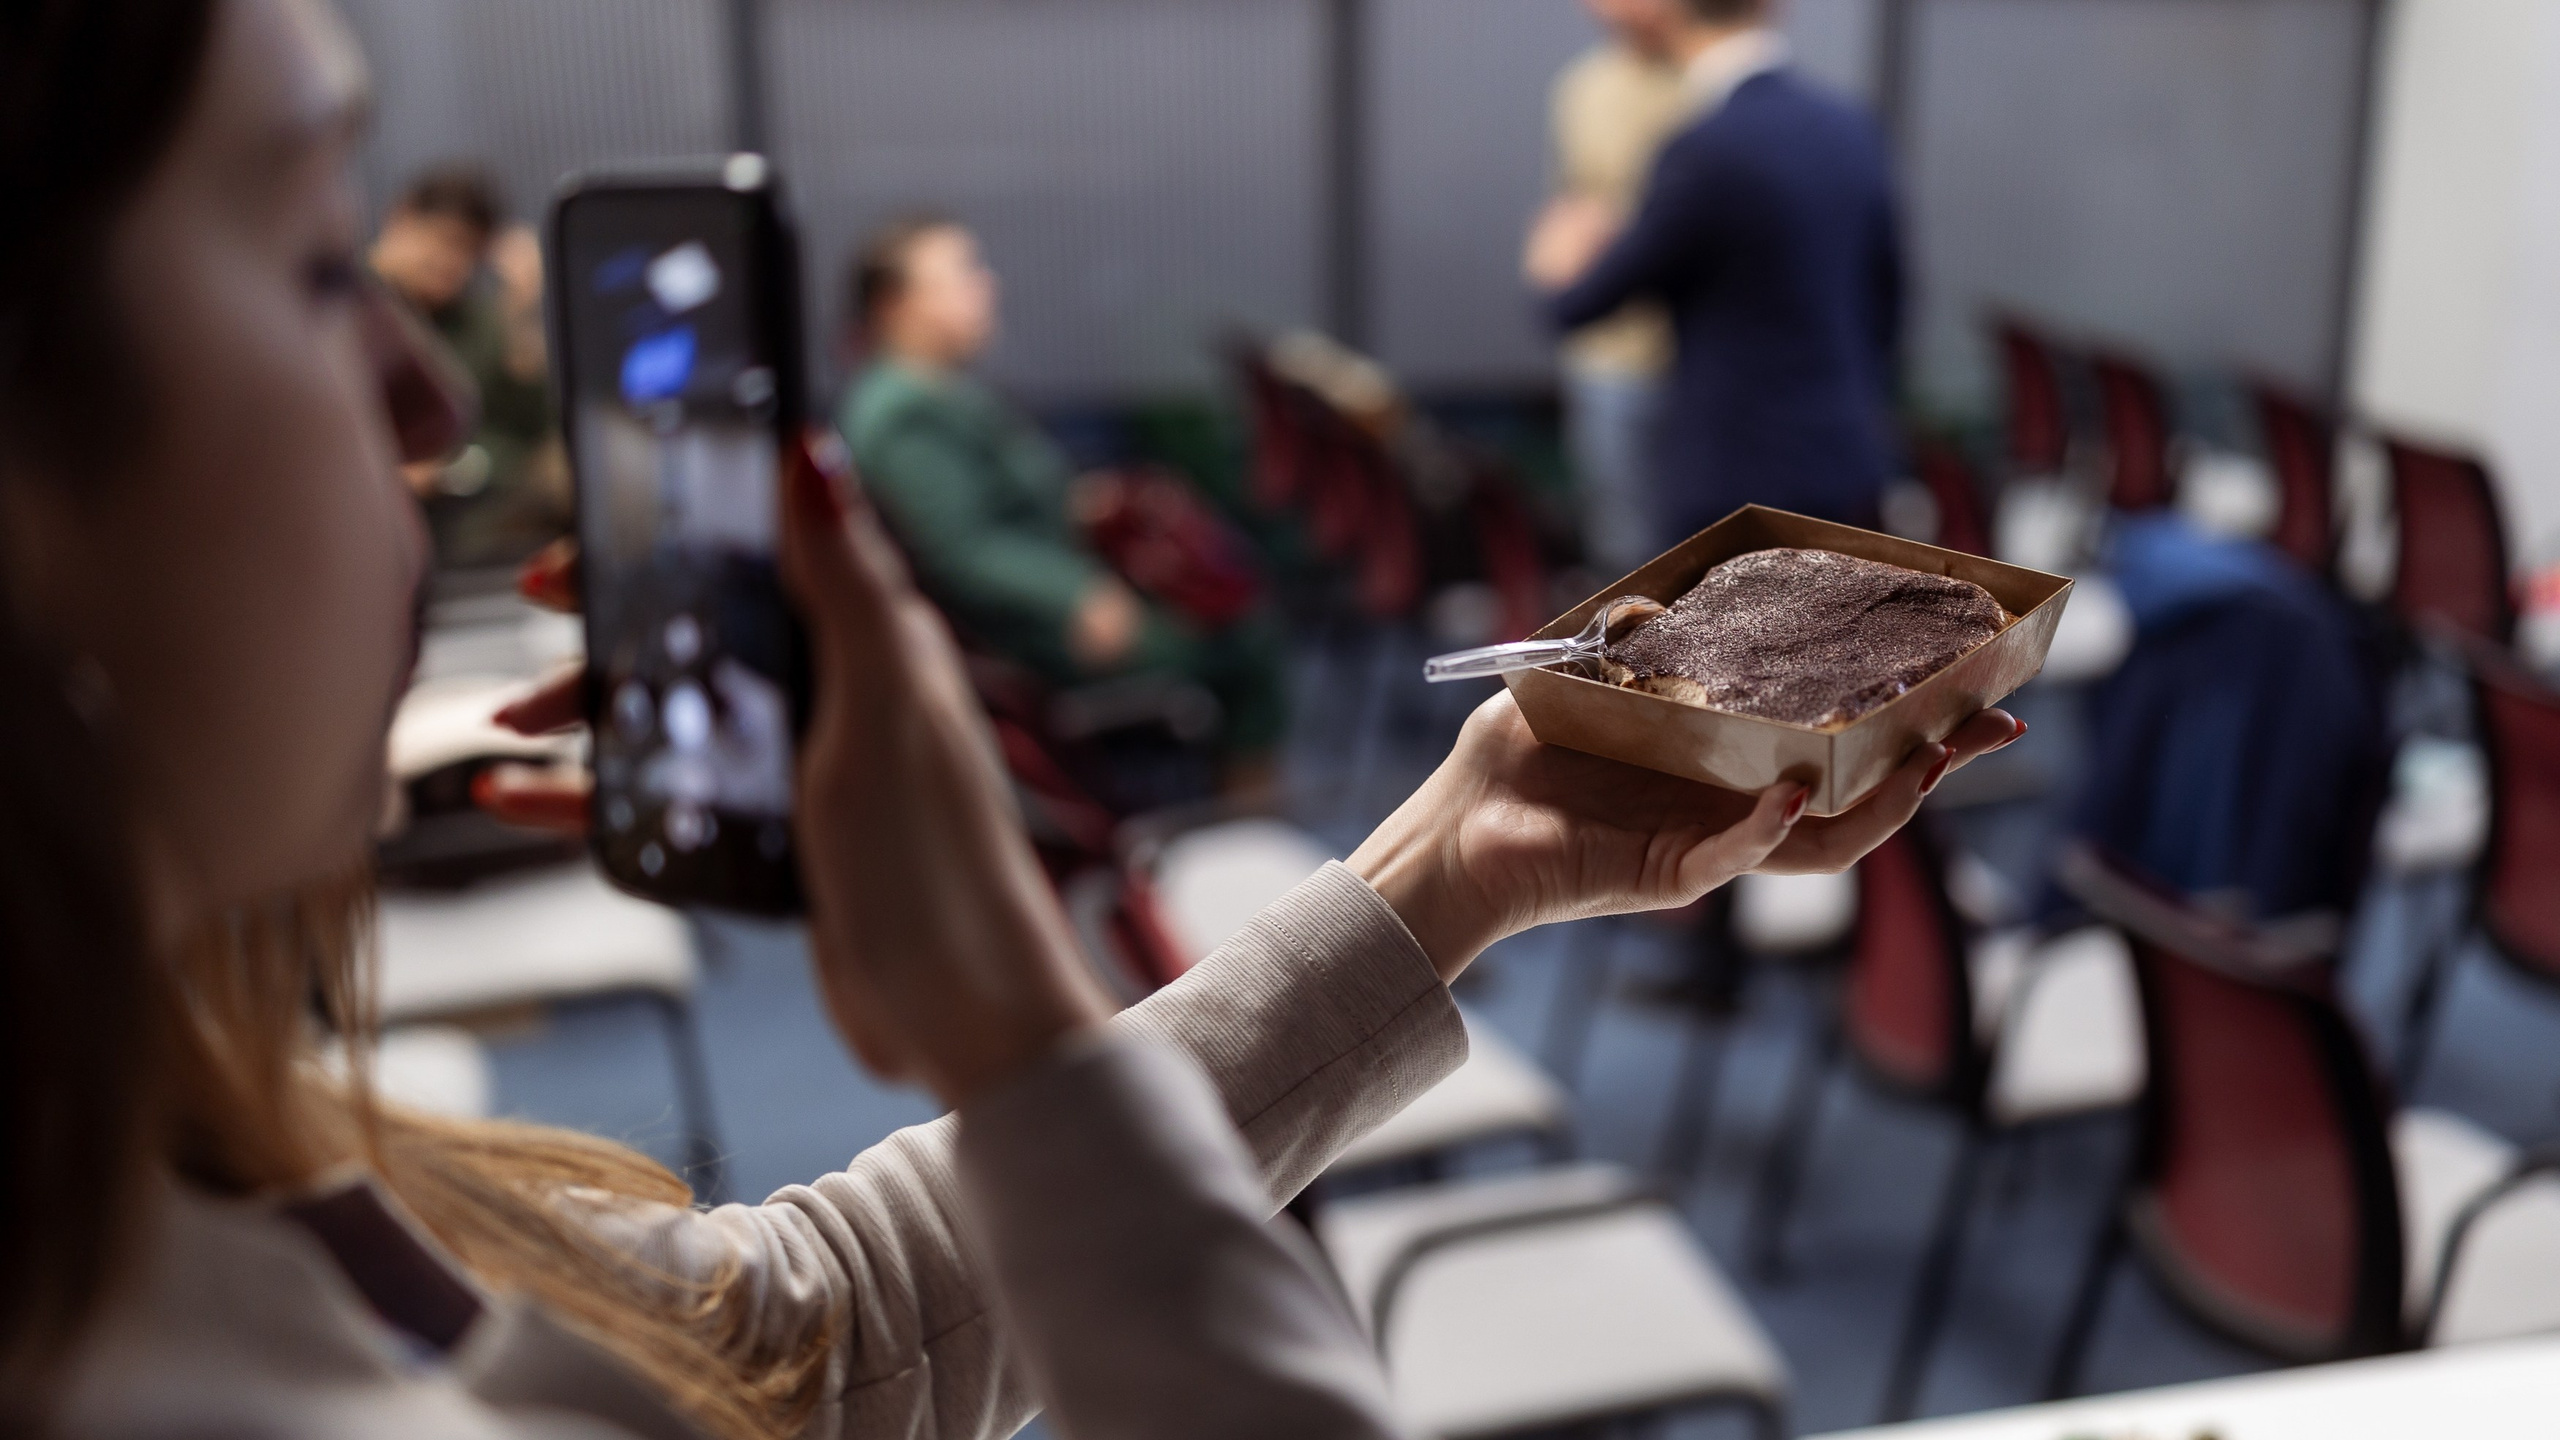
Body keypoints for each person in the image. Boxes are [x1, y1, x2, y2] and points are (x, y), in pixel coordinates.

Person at [0, 2, 2020, 1437]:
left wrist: (1450, 869)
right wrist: (1012, 1032)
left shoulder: (148, 1174)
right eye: (314, 257)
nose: (433, 401)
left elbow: (784, 1356)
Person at [836, 217, 1287, 780]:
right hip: (1030, 637)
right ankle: (1252, 814)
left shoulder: (929, 393)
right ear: (895, 304)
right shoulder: (903, 414)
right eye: (963, 273)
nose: (986, 284)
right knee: (1245, 642)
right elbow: (961, 549)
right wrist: (1076, 595)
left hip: (1050, 607)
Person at [1530, 0, 1905, 537]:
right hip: (1837, 455)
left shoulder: (1706, 148)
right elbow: (1888, 298)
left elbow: (1582, 302)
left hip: (1731, 468)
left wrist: (1552, 263)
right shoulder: (1850, 124)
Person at [1528, 0, 1692, 575]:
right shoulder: (1584, 88)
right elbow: (1571, 208)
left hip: (1704, 357)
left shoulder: (1713, 83)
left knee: (1710, 552)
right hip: (1610, 353)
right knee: (1625, 551)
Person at [370, 161, 568, 569]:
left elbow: (533, 429)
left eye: (470, 252)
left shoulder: (473, 322)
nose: (452, 263)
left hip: (470, 516)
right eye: (445, 241)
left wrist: (521, 310)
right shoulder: (340, 306)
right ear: (402, 218)